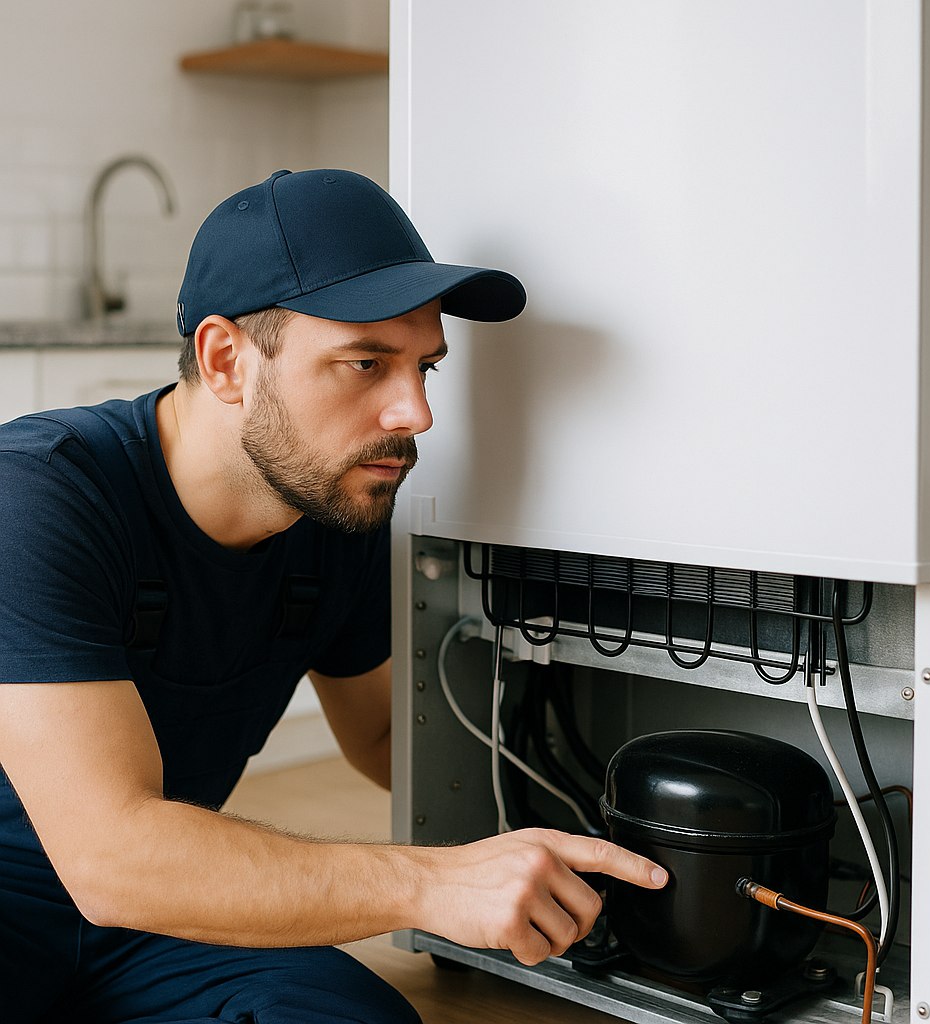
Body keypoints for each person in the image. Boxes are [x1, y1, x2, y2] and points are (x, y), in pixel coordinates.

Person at [0, 169, 667, 1023]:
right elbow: (112, 856)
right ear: (225, 360)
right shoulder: (42, 494)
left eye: (425, 367)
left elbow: (388, 736)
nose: (416, 413)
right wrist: (429, 882)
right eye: (366, 364)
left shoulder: (331, 514)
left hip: (156, 923)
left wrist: (595, 817)